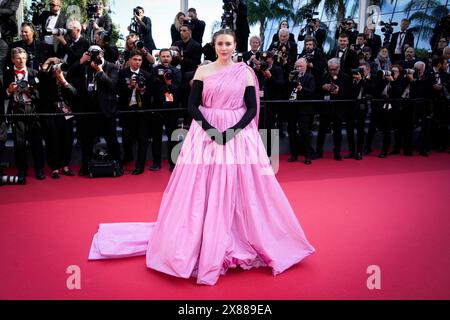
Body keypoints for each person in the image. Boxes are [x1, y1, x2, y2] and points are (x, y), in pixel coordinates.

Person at [89, 29, 315, 286]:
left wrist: (231, 132)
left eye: (228, 43)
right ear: (214, 44)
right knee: (200, 184)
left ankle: (239, 232)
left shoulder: (244, 72)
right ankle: (202, 233)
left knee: (245, 186)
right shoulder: (203, 71)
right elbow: (192, 105)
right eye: (220, 43)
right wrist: (210, 130)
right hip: (205, 131)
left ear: (235, 44)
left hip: (237, 134)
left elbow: (252, 107)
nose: (224, 47)